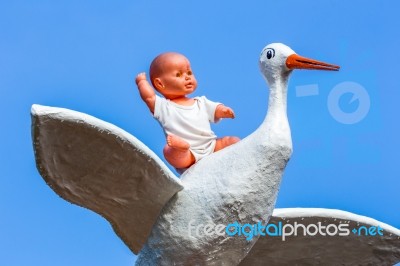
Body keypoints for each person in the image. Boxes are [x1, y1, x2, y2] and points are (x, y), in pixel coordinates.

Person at [135, 52, 240, 170]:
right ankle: (180, 148)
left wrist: (223, 110)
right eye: (178, 74)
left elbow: (215, 109)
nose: (187, 77)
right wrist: (141, 82)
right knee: (169, 152)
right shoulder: (164, 107)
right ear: (160, 84)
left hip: (211, 145)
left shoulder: (201, 102)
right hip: (189, 155)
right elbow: (149, 97)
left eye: (189, 73)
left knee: (232, 141)